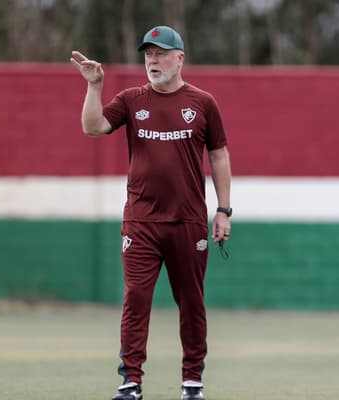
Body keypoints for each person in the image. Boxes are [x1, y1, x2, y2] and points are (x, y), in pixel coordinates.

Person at [70, 25, 232, 400]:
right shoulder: (131, 99)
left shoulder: (203, 103)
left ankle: (193, 383)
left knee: (191, 302)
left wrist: (223, 210)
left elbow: (219, 155)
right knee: (136, 300)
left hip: (189, 221)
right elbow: (92, 127)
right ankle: (131, 384)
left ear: (180, 58)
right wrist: (94, 85)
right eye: (148, 54)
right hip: (140, 222)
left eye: (160, 54)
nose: (153, 61)